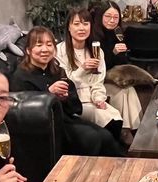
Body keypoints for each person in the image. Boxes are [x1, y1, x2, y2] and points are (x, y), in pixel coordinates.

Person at [11, 25, 125, 157]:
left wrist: (65, 97)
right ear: (28, 50)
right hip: (48, 128)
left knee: (106, 137)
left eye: (49, 44)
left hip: (67, 119)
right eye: (39, 45)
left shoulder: (57, 70)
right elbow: (23, 113)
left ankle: (123, 166)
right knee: (91, 138)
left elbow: (75, 106)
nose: (45, 49)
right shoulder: (21, 76)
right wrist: (48, 94)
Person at [57, 7, 125, 143]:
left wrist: (99, 98)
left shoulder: (96, 51)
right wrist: (82, 69)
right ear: (69, 27)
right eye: (76, 24)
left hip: (92, 100)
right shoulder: (60, 51)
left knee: (116, 117)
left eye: (85, 24)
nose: (81, 28)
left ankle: (112, 151)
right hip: (74, 102)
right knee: (108, 120)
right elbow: (66, 84)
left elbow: (98, 81)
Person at [92, 0, 143, 137]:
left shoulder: (117, 33)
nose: (112, 20)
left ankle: (133, 129)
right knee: (122, 92)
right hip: (99, 79)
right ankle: (124, 130)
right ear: (100, 17)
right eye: (108, 16)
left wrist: (121, 53)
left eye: (115, 17)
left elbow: (121, 63)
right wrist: (113, 52)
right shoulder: (94, 37)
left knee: (129, 90)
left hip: (114, 77)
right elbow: (98, 66)